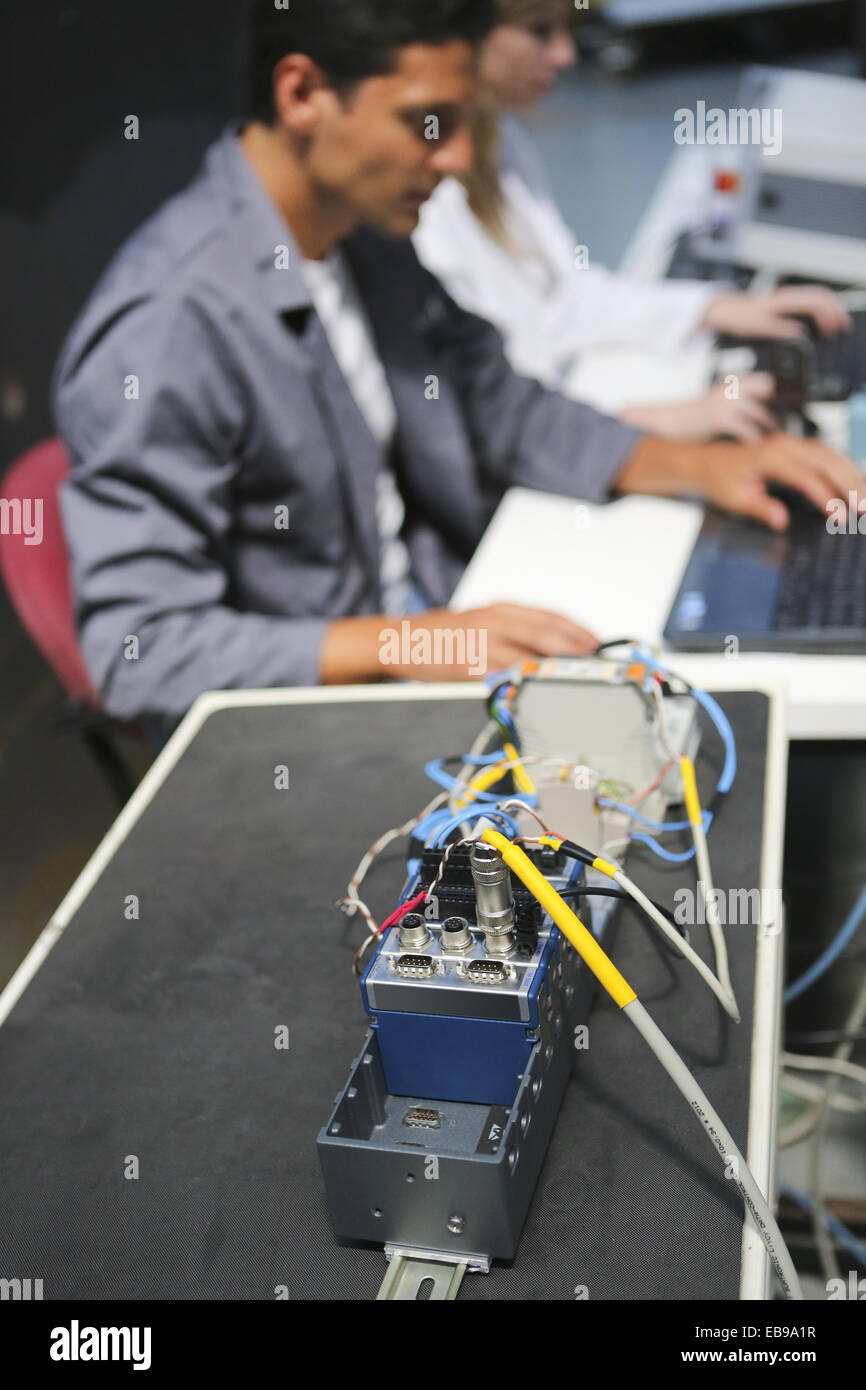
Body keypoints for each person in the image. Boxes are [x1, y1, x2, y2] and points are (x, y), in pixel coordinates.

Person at [54, 0, 863, 732]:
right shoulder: (168, 327)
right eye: (430, 123)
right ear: (302, 94)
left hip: (437, 620)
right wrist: (417, 642)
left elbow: (500, 406)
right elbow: (140, 652)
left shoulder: (363, 240)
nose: (458, 158)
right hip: (325, 721)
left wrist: (706, 467)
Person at [412, 0, 852, 441]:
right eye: (541, 31)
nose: (565, 55)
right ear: (466, 33)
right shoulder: (423, 205)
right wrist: (671, 419)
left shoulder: (502, 141)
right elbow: (496, 414)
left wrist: (712, 308)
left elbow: (567, 297)